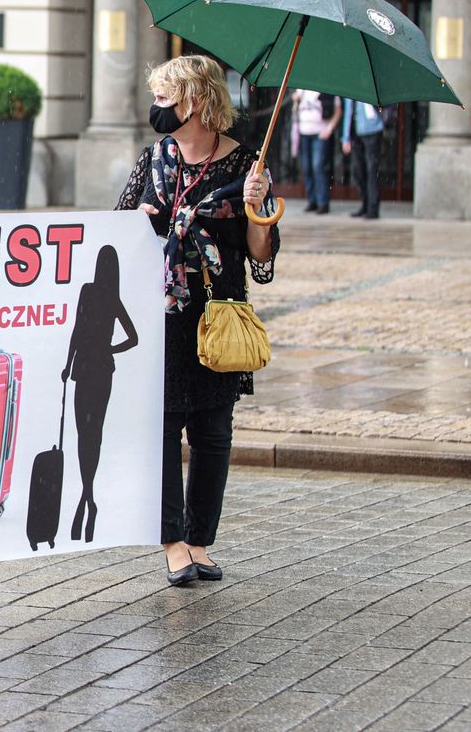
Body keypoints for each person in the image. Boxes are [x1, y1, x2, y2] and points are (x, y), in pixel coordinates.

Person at [115, 55, 279, 586]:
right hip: (160, 314)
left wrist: (256, 208)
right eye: (157, 97)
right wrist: (138, 226)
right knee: (162, 429)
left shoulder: (246, 167)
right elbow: (116, 238)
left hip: (217, 314)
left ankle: (201, 540)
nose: (158, 108)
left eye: (168, 98)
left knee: (212, 432)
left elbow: (261, 255)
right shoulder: (154, 159)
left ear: (199, 102)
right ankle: (172, 543)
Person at [61, 245, 138, 544]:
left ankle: (86, 496)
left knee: (85, 433)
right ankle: (88, 498)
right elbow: (132, 338)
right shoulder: (112, 298)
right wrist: (109, 349)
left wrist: (68, 365)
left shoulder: (88, 291)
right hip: (102, 370)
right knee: (95, 433)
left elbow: (77, 330)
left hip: (85, 367)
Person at [292, 89, 340, 214]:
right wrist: (296, 101)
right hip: (304, 132)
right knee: (306, 167)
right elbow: (295, 111)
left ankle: (323, 202)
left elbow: (338, 110)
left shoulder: (326, 88)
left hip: (320, 132)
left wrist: (330, 128)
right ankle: (312, 200)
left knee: (318, 166)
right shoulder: (301, 89)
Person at [342, 98, 384, 219]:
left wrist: (382, 119)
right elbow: (348, 112)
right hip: (356, 132)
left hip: (373, 130)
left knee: (372, 170)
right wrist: (345, 137)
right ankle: (365, 203)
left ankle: (373, 208)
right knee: (358, 171)